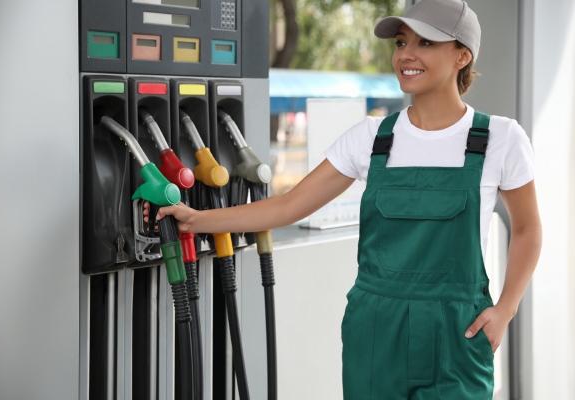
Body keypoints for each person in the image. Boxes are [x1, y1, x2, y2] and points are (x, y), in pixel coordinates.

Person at [148, 0, 542, 398]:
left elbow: (527, 228)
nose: (406, 54)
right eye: (402, 42)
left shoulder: (499, 138)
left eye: (425, 43)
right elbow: (287, 206)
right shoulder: (371, 139)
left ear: (462, 55)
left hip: (459, 329)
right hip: (376, 331)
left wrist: (506, 307)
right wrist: (196, 219)